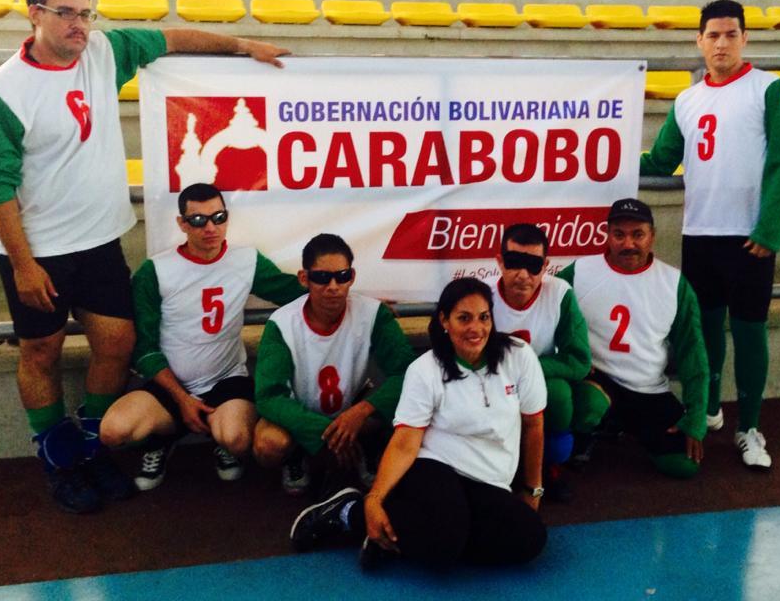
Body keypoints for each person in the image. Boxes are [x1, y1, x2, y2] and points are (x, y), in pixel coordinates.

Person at [0, 0, 289, 513]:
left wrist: (241, 45)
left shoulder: (103, 53)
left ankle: (90, 447)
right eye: (64, 12)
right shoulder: (3, 92)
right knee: (40, 351)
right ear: (34, 13)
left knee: (114, 346)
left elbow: (173, 38)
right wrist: (22, 263)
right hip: (37, 250)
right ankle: (57, 458)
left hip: (100, 242)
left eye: (85, 12)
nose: (78, 24)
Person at [288, 277, 548, 570]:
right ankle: (351, 513)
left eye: (484, 317)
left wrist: (531, 490)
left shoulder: (519, 356)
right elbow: (404, 442)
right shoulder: (425, 369)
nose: (476, 328)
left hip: (489, 480)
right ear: (444, 321)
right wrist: (374, 498)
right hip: (433, 466)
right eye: (464, 318)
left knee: (530, 539)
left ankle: (396, 534)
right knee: (444, 546)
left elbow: (533, 425)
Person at [640, 0, 780, 469]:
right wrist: (606, 162)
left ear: (745, 38)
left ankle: (749, 426)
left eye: (731, 34)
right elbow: (660, 160)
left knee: (750, 330)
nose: (722, 43)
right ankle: (710, 408)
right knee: (705, 327)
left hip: (749, 236)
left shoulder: (769, 89)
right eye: (713, 35)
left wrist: (770, 228)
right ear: (699, 41)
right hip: (701, 231)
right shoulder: (687, 99)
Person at [99, 183, 304, 490]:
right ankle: (164, 437)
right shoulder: (155, 270)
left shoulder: (246, 260)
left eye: (218, 217)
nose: (210, 227)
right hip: (171, 384)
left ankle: (216, 435)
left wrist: (361, 303)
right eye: (198, 220)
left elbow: (294, 293)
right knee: (113, 431)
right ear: (182, 223)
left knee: (236, 439)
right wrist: (182, 399)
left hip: (225, 378)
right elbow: (144, 347)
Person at [252, 233, 416, 496]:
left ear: (351, 277)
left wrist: (362, 410)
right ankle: (297, 455)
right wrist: (325, 431)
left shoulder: (373, 314)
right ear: (304, 278)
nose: (333, 286)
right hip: (301, 413)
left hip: (354, 409)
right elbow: (269, 397)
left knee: (408, 406)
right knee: (268, 444)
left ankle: (368, 444)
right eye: (321, 277)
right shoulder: (282, 323)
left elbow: (408, 372)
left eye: (341, 277)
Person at [557, 199, 708, 478]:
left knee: (683, 464)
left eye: (637, 234)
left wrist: (696, 416)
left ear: (652, 236)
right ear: (607, 235)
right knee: (589, 406)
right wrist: (570, 359)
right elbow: (547, 316)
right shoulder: (579, 273)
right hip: (598, 380)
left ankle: (620, 426)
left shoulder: (674, 283)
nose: (628, 244)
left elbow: (692, 352)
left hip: (648, 389)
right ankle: (590, 430)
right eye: (619, 234)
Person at [488, 223, 591, 501]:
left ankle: (551, 464)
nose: (523, 275)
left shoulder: (559, 294)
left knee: (562, 396)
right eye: (513, 263)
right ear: (499, 261)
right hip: (491, 384)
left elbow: (579, 361)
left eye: (532, 265)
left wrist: (529, 369)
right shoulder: (481, 296)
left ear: (545, 266)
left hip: (540, 386)